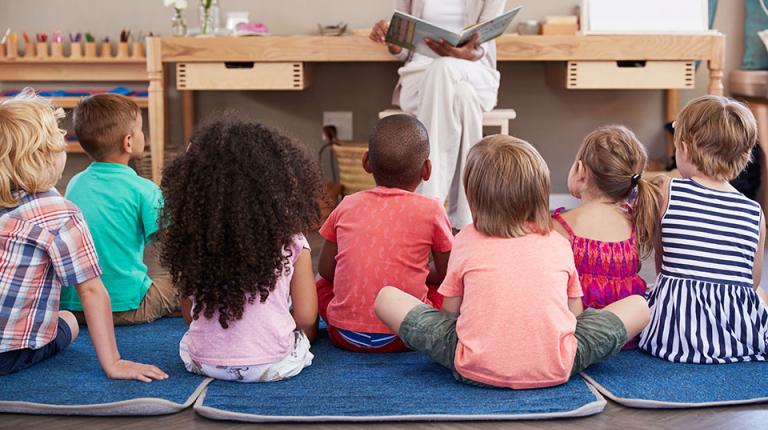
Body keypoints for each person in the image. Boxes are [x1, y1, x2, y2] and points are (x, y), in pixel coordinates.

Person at [374, 135, 650, 389]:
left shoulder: (466, 239)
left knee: (387, 297)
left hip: (472, 366)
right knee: (639, 305)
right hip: (558, 366)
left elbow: (449, 315)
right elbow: (575, 317)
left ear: (472, 198)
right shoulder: (558, 241)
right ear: (540, 194)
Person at [0, 90, 167, 381]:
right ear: (45, 156)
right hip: (9, 354)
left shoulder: (75, 185)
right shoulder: (59, 212)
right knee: (67, 323)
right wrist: (113, 363)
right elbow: (91, 290)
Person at [161, 118, 321, 382]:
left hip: (203, 363)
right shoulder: (292, 241)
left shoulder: (193, 241)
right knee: (302, 328)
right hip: (275, 366)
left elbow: (190, 317)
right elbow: (305, 317)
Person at [640, 96, 768, 363]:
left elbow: (663, 264)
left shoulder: (668, 191)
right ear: (745, 157)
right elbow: (751, 282)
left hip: (674, 335)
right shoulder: (755, 213)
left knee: (643, 295)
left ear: (684, 150)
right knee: (762, 294)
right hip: (735, 338)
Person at [317, 114, 453, 352]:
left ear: (366, 162)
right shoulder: (432, 210)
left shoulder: (347, 205)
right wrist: (418, 274)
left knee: (319, 286)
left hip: (343, 334)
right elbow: (448, 275)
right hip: (405, 335)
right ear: (427, 169)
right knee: (443, 293)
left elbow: (326, 271)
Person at [370, 0, 505, 228]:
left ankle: (425, 207)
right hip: (420, 78)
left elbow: (484, 43)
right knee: (462, 95)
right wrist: (390, 39)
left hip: (475, 73)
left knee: (443, 67)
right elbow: (403, 49)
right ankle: (468, 220)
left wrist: (462, 54)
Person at [60, 94, 178, 325]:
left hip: (77, 305)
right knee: (180, 279)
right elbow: (174, 242)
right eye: (141, 130)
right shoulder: (145, 189)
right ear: (128, 142)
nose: (144, 135)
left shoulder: (73, 183)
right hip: (127, 307)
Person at [552, 125, 661, 348]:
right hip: (623, 328)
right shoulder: (634, 221)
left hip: (576, 326)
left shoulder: (558, 226)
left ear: (581, 171)